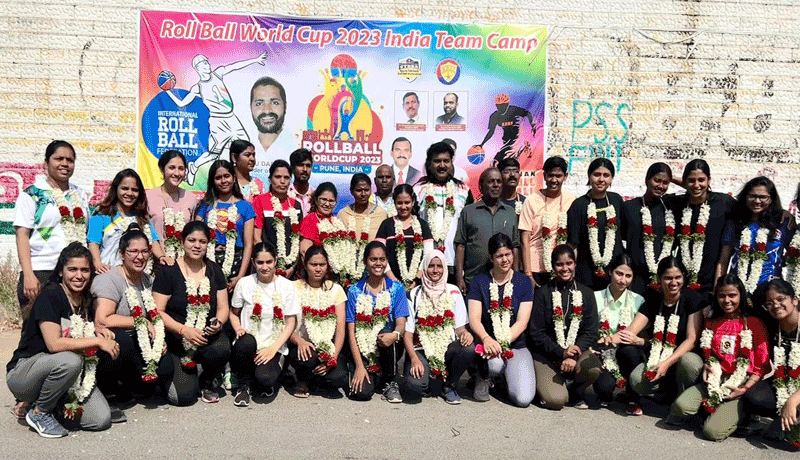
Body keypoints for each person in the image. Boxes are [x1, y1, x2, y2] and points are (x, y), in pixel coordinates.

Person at [7, 243, 117, 437]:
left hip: (67, 377)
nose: (79, 276)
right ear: (61, 272)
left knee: (100, 419)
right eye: (72, 269)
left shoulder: (86, 299)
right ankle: (40, 412)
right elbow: (54, 344)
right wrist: (97, 341)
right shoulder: (51, 294)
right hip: (25, 373)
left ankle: (49, 404)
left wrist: (100, 332)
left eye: (85, 270)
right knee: (70, 360)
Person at [667, 274, 769, 441]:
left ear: (741, 296)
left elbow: (761, 366)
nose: (727, 300)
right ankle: (706, 410)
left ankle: (744, 418)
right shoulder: (712, 320)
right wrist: (708, 365)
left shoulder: (754, 323)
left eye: (732, 295)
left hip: (739, 385)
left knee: (712, 432)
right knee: (680, 406)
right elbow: (709, 353)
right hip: (715, 379)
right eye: (722, 296)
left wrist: (744, 389)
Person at [93, 225, 174, 407]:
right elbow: (103, 319)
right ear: (122, 254)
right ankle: (110, 390)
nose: (140, 257)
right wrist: (142, 322)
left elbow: (156, 315)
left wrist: (160, 338)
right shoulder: (110, 278)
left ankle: (136, 386)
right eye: (133, 252)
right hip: (114, 341)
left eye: (145, 251)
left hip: (140, 341)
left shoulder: (148, 280)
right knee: (122, 340)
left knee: (166, 369)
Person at [152, 221, 231, 404]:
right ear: (182, 241)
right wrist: (183, 330)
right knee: (184, 398)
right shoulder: (169, 271)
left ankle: (207, 380)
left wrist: (219, 322)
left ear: (208, 244)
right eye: (192, 240)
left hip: (205, 338)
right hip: (177, 341)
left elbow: (223, 307)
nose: (197, 246)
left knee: (222, 346)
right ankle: (180, 375)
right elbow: (157, 312)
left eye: (202, 242)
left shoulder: (214, 269)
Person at [164, 52, 268, 185]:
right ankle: (194, 167)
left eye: (207, 63)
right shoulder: (198, 87)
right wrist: (168, 91)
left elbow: (235, 66)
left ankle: (243, 180)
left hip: (231, 118)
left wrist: (255, 60)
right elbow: (181, 103)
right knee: (214, 154)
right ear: (197, 69)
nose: (207, 66)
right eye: (203, 64)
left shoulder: (218, 73)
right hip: (218, 122)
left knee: (246, 148)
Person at [14, 140, 90, 312]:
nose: (65, 164)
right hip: (42, 270)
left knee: (74, 324)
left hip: (74, 273)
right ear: (46, 163)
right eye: (59, 159)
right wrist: (28, 275)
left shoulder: (79, 194)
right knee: (37, 326)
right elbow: (22, 235)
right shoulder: (31, 194)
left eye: (70, 160)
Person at [625, 256, 705, 404]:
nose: (674, 283)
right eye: (668, 278)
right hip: (657, 358)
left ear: (683, 277)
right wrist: (609, 338)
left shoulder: (692, 299)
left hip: (681, 360)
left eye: (678, 277)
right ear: (659, 278)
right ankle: (664, 392)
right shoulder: (653, 298)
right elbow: (632, 330)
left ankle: (682, 398)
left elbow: (691, 340)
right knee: (636, 381)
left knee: (689, 362)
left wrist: (667, 363)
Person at [529, 244, 600, 410]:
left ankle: (576, 391)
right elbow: (536, 333)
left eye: (569, 263)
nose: (565, 268)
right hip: (547, 355)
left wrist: (572, 355)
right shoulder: (543, 293)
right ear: (553, 266)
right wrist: (561, 353)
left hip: (576, 353)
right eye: (559, 264)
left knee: (593, 369)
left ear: (575, 264)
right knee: (555, 400)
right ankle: (554, 386)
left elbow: (590, 331)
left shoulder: (587, 293)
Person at [468, 233, 535, 407]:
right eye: (499, 256)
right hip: (487, 345)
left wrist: (501, 342)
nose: (505, 260)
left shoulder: (524, 282)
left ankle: (503, 381)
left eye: (508, 254)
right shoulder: (479, 281)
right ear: (491, 258)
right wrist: (486, 339)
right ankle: (482, 376)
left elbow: (522, 322)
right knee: (495, 364)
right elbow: (474, 319)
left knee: (523, 399)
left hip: (515, 345)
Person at [229, 242, 298, 405]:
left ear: (276, 261)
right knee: (246, 342)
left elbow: (290, 323)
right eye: (260, 262)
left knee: (265, 379)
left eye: (269, 262)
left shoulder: (287, 286)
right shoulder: (244, 283)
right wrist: (238, 328)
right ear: (253, 262)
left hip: (274, 345)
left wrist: (273, 349)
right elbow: (233, 313)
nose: (265, 267)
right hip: (249, 343)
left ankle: (269, 377)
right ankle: (243, 386)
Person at [403, 250, 476, 404]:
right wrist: (414, 359)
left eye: (439, 266)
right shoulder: (415, 294)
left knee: (468, 348)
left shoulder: (453, 292)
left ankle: (449, 385)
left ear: (445, 268)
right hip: (421, 349)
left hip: (446, 348)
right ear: (424, 268)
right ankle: (429, 378)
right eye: (431, 266)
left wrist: (466, 334)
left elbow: (460, 328)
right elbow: (407, 334)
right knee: (414, 387)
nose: (435, 270)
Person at [346, 242, 409, 402]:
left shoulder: (397, 288)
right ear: (365, 262)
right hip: (363, 348)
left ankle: (390, 382)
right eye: (373, 259)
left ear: (387, 261)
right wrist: (359, 366)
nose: (378, 263)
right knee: (361, 393)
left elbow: (401, 324)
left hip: (388, 346)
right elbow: (351, 332)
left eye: (382, 259)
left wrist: (394, 335)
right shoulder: (354, 291)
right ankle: (368, 372)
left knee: (388, 333)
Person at [743, 279, 800, 446]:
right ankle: (784, 418)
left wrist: (792, 401)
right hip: (784, 382)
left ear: (794, 300)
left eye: (781, 299)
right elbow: (743, 311)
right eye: (769, 303)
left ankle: (789, 417)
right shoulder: (770, 324)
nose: (776, 305)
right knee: (753, 396)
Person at [287, 246, 349, 398]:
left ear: (327, 265)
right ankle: (303, 379)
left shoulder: (335, 289)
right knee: (308, 357)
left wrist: (333, 358)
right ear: (305, 265)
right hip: (301, 344)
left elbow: (340, 329)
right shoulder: (293, 287)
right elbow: (284, 325)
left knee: (339, 377)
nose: (318, 269)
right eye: (313, 264)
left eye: (322, 264)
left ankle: (317, 378)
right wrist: (299, 341)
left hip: (328, 345)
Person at [718, 176, 794, 295]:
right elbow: (723, 260)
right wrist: (718, 290)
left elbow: (794, 254)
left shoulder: (783, 222)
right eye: (752, 196)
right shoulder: (735, 222)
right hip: (739, 289)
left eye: (763, 197)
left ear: (771, 199)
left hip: (771, 291)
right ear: (745, 197)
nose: (757, 201)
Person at [592, 253, 645, 413]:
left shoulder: (638, 300)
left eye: (628, 276)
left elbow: (645, 336)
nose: (623, 280)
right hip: (601, 353)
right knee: (604, 389)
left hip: (626, 354)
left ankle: (633, 397)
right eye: (619, 273)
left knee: (629, 351)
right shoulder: (595, 297)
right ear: (610, 272)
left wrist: (637, 340)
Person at [672, 159, 734, 295]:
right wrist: (670, 177)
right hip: (680, 283)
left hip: (711, 284)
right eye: (691, 180)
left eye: (701, 180)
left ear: (709, 180)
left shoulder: (723, 203)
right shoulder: (677, 203)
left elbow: (750, 205)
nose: (696, 185)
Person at [455, 167, 520, 295]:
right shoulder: (468, 211)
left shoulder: (510, 212)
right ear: (480, 186)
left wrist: (516, 277)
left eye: (499, 181)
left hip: (504, 282)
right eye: (490, 182)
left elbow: (515, 246)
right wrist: (459, 278)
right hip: (473, 280)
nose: (495, 185)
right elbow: (460, 245)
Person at [414, 142, 473, 280]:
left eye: (446, 161)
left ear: (451, 163)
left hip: (455, 263)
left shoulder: (463, 190)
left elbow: (470, 228)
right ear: (429, 164)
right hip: (426, 264)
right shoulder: (418, 190)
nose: (442, 165)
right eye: (437, 161)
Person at [194, 160, 255, 290]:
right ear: (213, 181)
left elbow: (248, 245)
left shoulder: (246, 207)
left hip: (236, 263)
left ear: (234, 178)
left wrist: (240, 276)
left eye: (227, 176)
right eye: (218, 178)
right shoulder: (204, 207)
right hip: (208, 262)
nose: (223, 181)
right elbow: (196, 239)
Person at [88, 169, 163, 273]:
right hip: (108, 272)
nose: (130, 193)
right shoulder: (102, 214)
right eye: (125, 188)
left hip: (138, 275)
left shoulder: (142, 217)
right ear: (116, 189)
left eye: (134, 190)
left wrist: (162, 257)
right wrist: (97, 263)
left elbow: (153, 241)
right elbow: (93, 242)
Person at [566, 158, 624, 291]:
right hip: (586, 273)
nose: (601, 179)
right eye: (597, 174)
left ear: (611, 179)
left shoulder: (616, 200)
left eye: (606, 175)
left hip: (615, 273)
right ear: (589, 176)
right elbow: (573, 244)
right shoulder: (579, 205)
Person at [519, 156, 576, 288]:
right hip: (535, 268)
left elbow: (574, 239)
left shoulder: (571, 200)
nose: (554, 180)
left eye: (559, 176)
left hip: (561, 268)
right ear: (544, 176)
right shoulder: (531, 201)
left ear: (565, 177)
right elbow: (524, 239)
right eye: (551, 175)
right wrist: (528, 274)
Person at [621, 162, 676, 295]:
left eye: (665, 183)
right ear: (647, 180)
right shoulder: (629, 207)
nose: (660, 186)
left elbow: (692, 188)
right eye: (657, 180)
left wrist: (672, 177)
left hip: (662, 279)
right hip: (634, 278)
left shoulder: (671, 207)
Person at [144, 150, 199, 264]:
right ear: (162, 169)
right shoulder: (148, 197)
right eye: (172, 168)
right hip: (155, 262)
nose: (177, 173)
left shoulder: (191, 198)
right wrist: (160, 256)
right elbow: (146, 232)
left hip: (183, 263)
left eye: (181, 169)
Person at [375, 184, 434, 290]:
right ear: (394, 203)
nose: (403, 207)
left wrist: (416, 280)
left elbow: (428, 256)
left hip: (418, 285)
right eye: (399, 203)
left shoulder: (423, 225)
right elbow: (379, 255)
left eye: (407, 202)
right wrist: (394, 281)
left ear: (413, 202)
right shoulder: (386, 225)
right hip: (390, 284)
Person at [252, 159, 303, 277]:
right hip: (267, 268)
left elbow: (300, 240)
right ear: (270, 179)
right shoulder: (260, 201)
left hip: (291, 269)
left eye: (286, 178)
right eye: (278, 177)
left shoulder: (296, 205)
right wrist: (269, 265)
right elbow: (256, 238)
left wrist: (293, 267)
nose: (282, 181)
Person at [336, 173, 388, 276]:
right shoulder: (343, 214)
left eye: (366, 190)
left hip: (375, 268)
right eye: (359, 190)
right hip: (349, 268)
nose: (363, 194)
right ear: (351, 191)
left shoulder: (381, 213)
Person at [477, 93, 534, 164]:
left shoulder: (513, 110)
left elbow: (528, 114)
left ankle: (522, 145)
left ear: (507, 105)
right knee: (512, 159)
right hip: (506, 138)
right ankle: (523, 147)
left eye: (503, 105)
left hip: (517, 136)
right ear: (496, 105)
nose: (501, 108)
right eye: (499, 106)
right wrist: (482, 144)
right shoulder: (494, 116)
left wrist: (532, 125)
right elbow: (491, 131)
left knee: (497, 161)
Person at [249, 76, 288, 156]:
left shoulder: (297, 144)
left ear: (285, 106)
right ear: (251, 107)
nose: (267, 110)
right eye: (259, 103)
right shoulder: (241, 145)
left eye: (275, 103)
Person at [287, 148, 315, 216]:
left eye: (308, 166)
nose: (305, 169)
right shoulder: (285, 195)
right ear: (292, 168)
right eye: (301, 165)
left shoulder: (316, 195)